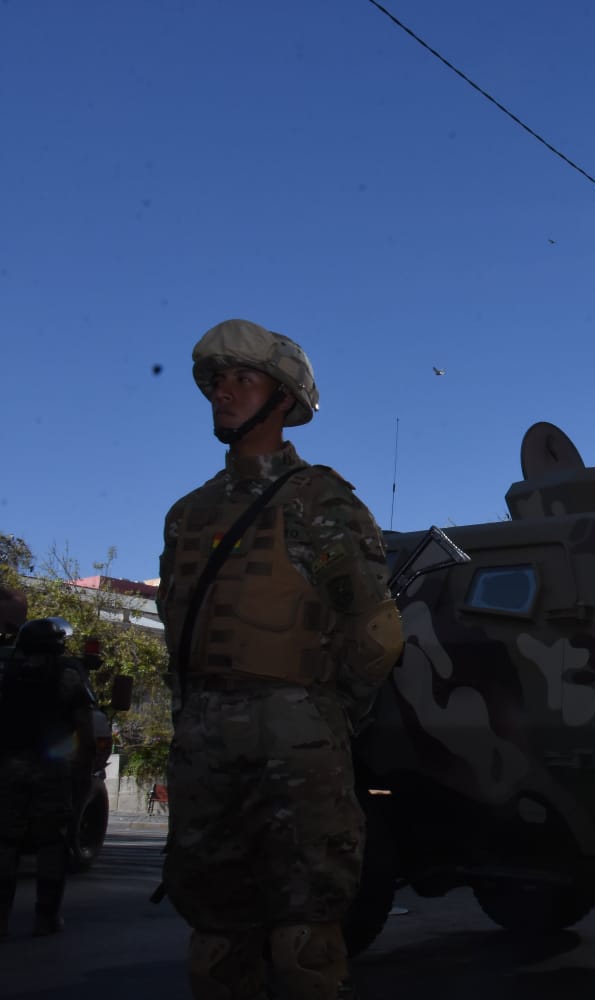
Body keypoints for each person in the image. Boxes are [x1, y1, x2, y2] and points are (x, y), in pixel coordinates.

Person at [156, 319, 404, 1000]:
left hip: (295, 733)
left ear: (284, 399)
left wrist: (323, 715)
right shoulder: (188, 514)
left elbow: (374, 631)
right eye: (217, 381)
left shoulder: (319, 504)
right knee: (213, 928)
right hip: (204, 737)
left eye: (244, 379)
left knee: (304, 930)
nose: (224, 393)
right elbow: (177, 629)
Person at [0, 616, 95, 938]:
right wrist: (83, 769)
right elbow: (85, 727)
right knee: (51, 843)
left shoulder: (6, 673)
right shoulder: (68, 675)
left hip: (8, 766)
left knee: (6, 843)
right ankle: (46, 917)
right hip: (51, 770)